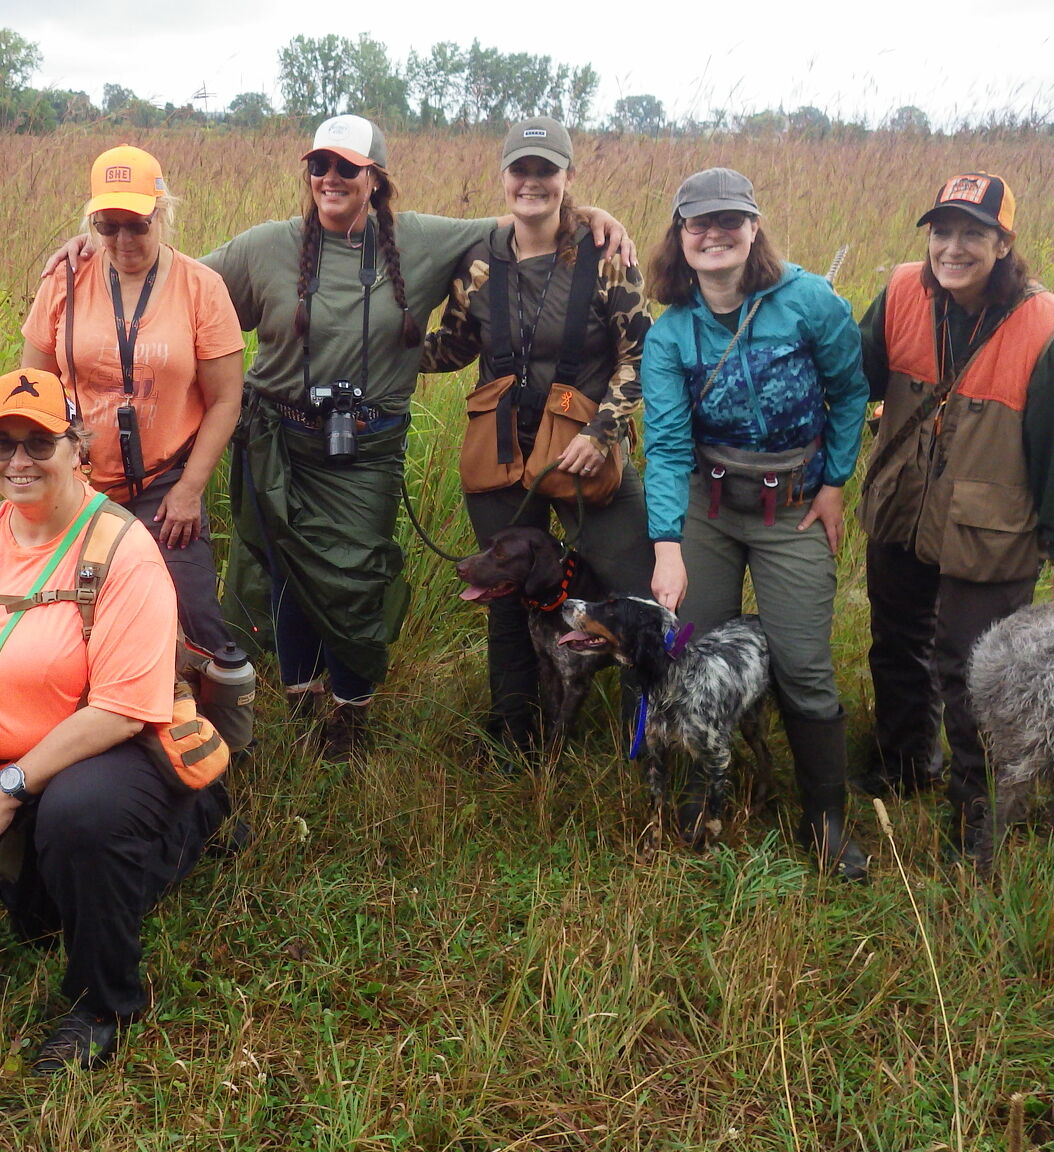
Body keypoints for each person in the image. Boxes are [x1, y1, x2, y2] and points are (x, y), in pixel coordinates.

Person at [192, 114, 628, 757]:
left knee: (358, 577)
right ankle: (303, 704)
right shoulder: (265, 246)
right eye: (320, 166)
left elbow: (524, 219)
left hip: (366, 447)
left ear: (376, 178)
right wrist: (94, 249)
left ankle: (349, 712)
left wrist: (592, 213)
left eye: (348, 168)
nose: (331, 178)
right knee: (283, 572)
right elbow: (183, 286)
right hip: (277, 438)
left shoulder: (420, 238)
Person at [0, 368, 230, 1075]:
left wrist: (10, 788)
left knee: (79, 819)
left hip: (112, 747)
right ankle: (165, 837)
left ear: (77, 448)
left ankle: (103, 1004)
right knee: (38, 923)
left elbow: (122, 707)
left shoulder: (121, 549)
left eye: (40, 443)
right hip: (6, 767)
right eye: (2, 445)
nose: (19, 462)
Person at [640, 168, 869, 879]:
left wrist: (833, 482)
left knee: (801, 663)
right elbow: (670, 446)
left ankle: (824, 821)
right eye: (698, 224)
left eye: (728, 221)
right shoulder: (670, 334)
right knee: (687, 648)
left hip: (793, 509)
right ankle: (692, 799)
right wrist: (667, 547)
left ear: (754, 226)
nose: (714, 235)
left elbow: (850, 390)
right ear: (680, 237)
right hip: (707, 507)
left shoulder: (809, 302)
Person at [856, 172, 1054, 849]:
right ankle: (904, 763)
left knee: (972, 667)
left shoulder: (1047, 327)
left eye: (973, 234)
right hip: (903, 506)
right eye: (942, 231)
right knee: (895, 643)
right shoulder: (902, 290)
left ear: (1003, 243)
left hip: (990, 528)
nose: (952, 247)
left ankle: (978, 802)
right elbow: (855, 377)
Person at [420, 116, 656, 757]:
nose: (532, 183)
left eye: (546, 171)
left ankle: (651, 740)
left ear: (567, 178)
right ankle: (515, 739)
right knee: (506, 598)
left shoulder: (607, 256)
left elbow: (643, 355)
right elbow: (453, 348)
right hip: (499, 457)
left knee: (634, 592)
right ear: (503, 178)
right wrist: (378, 340)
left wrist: (604, 433)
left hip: (585, 459)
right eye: (521, 170)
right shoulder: (478, 262)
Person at [20, 144, 248, 667]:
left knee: (194, 625)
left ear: (161, 212)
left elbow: (226, 399)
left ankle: (212, 736)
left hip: (167, 487)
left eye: (137, 224)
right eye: (108, 225)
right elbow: (33, 389)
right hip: (76, 486)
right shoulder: (64, 281)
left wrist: (190, 489)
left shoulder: (201, 287)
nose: (123, 240)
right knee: (68, 622)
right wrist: (51, 478)